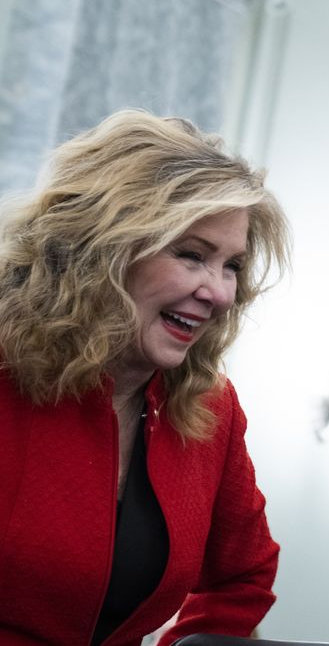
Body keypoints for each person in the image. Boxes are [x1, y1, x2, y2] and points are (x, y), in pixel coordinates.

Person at [0, 110, 291, 645]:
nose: (220, 292)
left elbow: (243, 578)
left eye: (231, 266)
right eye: (192, 255)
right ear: (102, 248)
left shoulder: (211, 409)